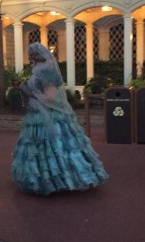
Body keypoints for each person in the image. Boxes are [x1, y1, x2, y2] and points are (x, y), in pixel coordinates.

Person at [11, 42, 109, 195]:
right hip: (37, 114)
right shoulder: (38, 70)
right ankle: (45, 179)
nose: (31, 58)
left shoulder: (47, 71)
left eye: (32, 55)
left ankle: (64, 179)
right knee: (44, 149)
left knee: (56, 148)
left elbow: (50, 97)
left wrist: (30, 92)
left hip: (50, 115)